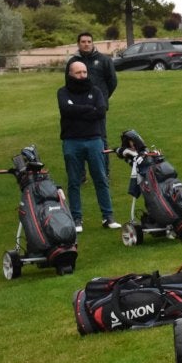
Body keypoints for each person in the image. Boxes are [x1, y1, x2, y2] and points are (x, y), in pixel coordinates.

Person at [57, 59, 119, 233]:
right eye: (78, 73)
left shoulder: (96, 90)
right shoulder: (63, 92)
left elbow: (100, 111)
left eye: (84, 72)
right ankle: (76, 218)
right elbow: (66, 110)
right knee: (74, 181)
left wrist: (77, 109)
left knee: (100, 178)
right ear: (70, 74)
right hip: (72, 141)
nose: (82, 75)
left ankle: (108, 216)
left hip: (94, 139)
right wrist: (88, 110)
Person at [68, 32, 117, 100]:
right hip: (78, 102)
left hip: (99, 102)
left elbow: (112, 81)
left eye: (89, 42)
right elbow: (68, 82)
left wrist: (104, 97)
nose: (86, 44)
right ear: (78, 44)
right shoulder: (72, 61)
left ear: (92, 43)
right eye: (83, 42)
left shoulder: (105, 60)